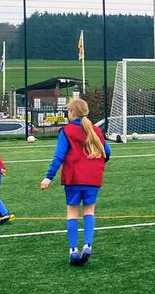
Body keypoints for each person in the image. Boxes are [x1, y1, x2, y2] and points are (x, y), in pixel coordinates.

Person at [41, 97, 110, 265]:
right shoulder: (95, 130)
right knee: (89, 211)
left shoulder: (67, 131)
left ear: (72, 113)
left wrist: (48, 177)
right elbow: (107, 152)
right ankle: (87, 245)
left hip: (73, 178)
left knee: (72, 212)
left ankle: (73, 250)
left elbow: (59, 156)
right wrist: (94, 166)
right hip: (93, 178)